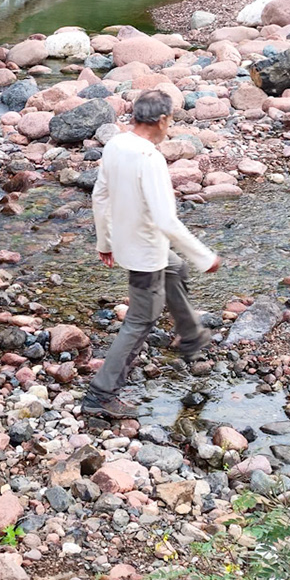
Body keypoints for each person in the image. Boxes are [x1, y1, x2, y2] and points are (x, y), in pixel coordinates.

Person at [85, 89, 222, 418]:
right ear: (161, 120)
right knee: (140, 322)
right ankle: (100, 395)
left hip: (131, 242)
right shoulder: (150, 158)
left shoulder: (117, 143)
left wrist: (105, 241)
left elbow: (99, 195)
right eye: (170, 120)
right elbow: (166, 221)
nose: (169, 126)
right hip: (145, 252)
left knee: (175, 269)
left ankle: (191, 337)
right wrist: (204, 257)